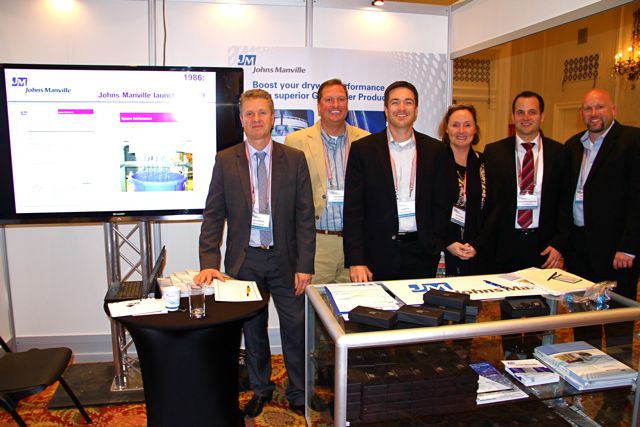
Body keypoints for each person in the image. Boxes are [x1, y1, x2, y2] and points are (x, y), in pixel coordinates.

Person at [194, 89, 315, 417]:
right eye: (250, 113)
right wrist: (209, 263)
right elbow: (213, 215)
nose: (256, 119)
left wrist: (305, 264)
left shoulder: (294, 159)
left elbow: (305, 217)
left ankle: (299, 391)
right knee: (253, 330)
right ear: (241, 119)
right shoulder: (225, 160)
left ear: (273, 118)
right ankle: (261, 388)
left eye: (262, 113)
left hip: (286, 260)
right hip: (244, 261)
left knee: (296, 328)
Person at [343, 81, 454, 282]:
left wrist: (435, 242)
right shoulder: (363, 150)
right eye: (395, 102)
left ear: (416, 110)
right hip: (376, 254)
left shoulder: (435, 151)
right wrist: (356, 259)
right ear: (386, 109)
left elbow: (443, 202)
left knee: (418, 304)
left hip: (422, 254)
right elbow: (353, 209)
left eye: (408, 102)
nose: (401, 108)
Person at [565, 88, 640, 350]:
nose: (593, 113)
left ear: (613, 110)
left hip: (617, 251)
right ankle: (586, 364)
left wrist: (629, 247)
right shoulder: (573, 146)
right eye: (588, 108)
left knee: (618, 319)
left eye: (600, 107)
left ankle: (619, 370)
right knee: (583, 317)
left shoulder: (632, 141)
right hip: (579, 248)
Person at [285, 79, 369, 284]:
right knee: (316, 304)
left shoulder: (366, 140)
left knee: (354, 303)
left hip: (356, 245)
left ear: (347, 104)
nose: (336, 105)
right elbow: (288, 198)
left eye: (341, 99)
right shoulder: (296, 141)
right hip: (317, 245)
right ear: (319, 106)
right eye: (329, 100)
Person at [483, 90, 570, 273]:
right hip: (504, 245)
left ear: (542, 116)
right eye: (520, 112)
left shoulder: (559, 153)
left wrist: (559, 243)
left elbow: (564, 202)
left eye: (532, 112)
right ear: (513, 116)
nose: (526, 118)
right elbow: (489, 202)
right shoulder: (494, 152)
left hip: (544, 246)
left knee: (542, 292)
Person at [438, 104, 490, 276]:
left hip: (478, 252)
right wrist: (448, 242)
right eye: (455, 125)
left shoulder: (486, 164)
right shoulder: (434, 163)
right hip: (443, 251)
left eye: (467, 125)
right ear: (446, 129)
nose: (461, 131)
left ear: (475, 129)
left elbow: (494, 210)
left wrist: (477, 244)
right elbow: (428, 209)